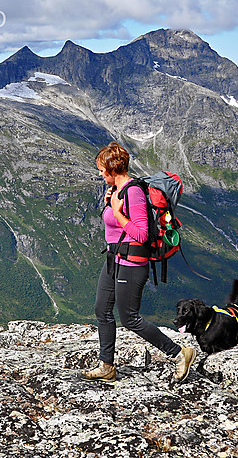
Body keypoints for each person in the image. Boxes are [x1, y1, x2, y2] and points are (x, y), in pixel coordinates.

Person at [82, 141, 196, 382]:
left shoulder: (133, 191)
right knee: (102, 310)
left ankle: (179, 353)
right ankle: (107, 366)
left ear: (113, 169)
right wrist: (109, 205)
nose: (100, 174)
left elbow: (142, 233)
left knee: (129, 318)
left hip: (132, 264)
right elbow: (114, 225)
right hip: (114, 259)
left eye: (102, 169)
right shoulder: (116, 191)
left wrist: (118, 212)